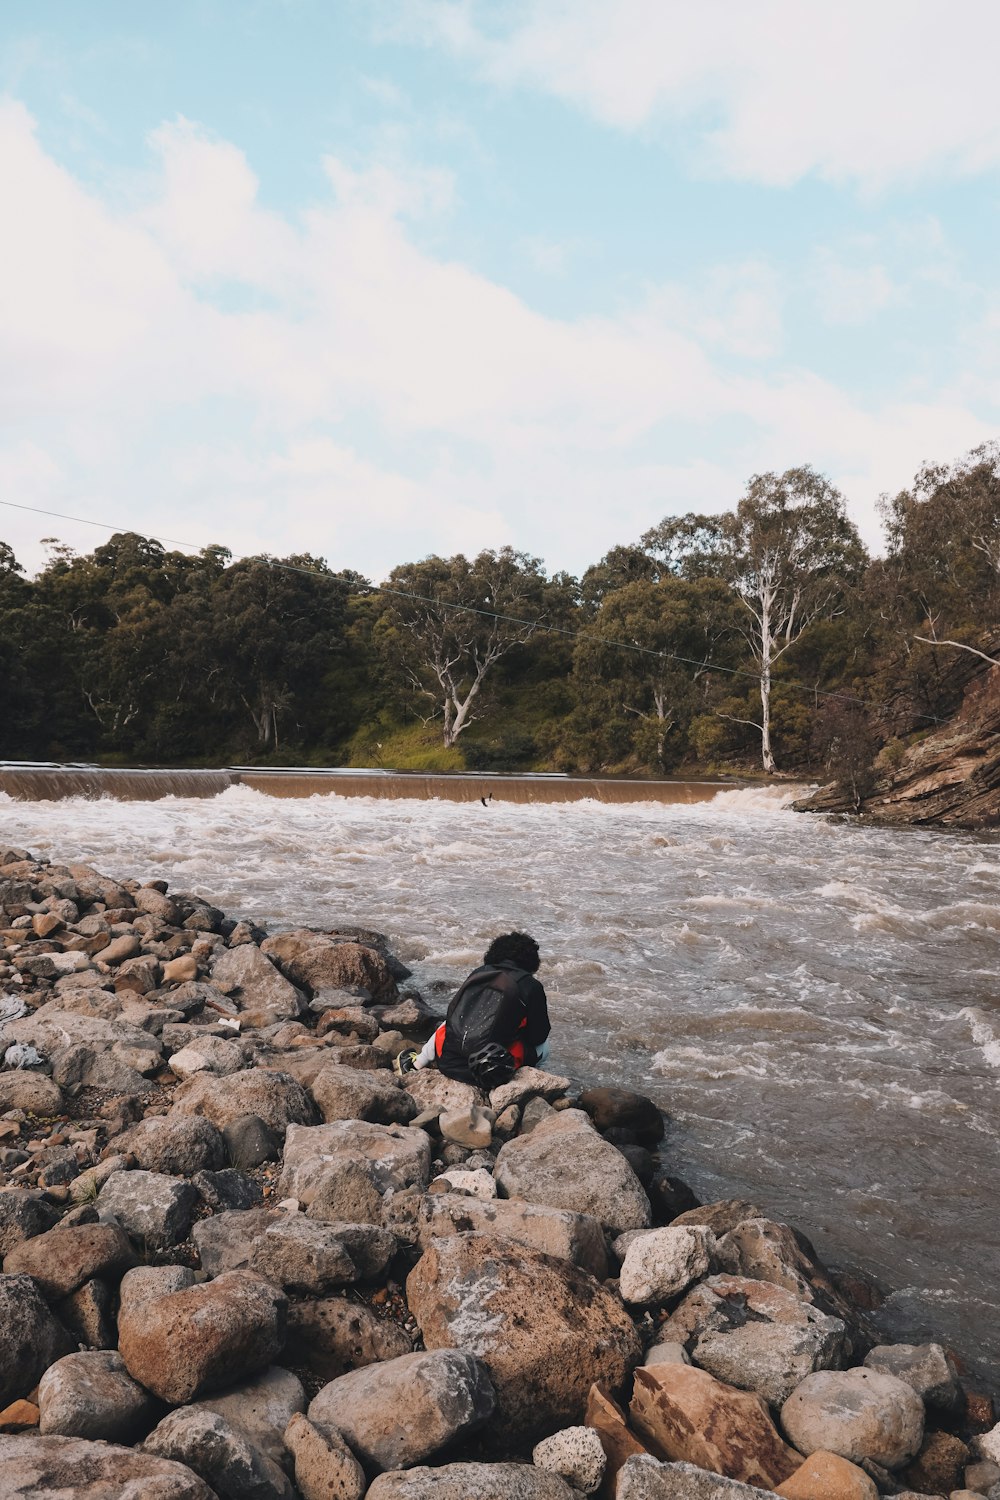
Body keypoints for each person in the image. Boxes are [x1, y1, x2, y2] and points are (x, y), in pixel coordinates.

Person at [395, 931, 551, 1090]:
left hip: (448, 1063)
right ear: (532, 961)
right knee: (545, 1045)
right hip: (489, 1072)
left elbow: (455, 1015)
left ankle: (416, 1064)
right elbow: (538, 1036)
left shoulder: (479, 973)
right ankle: (534, 1082)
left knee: (450, 1023)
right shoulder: (531, 986)